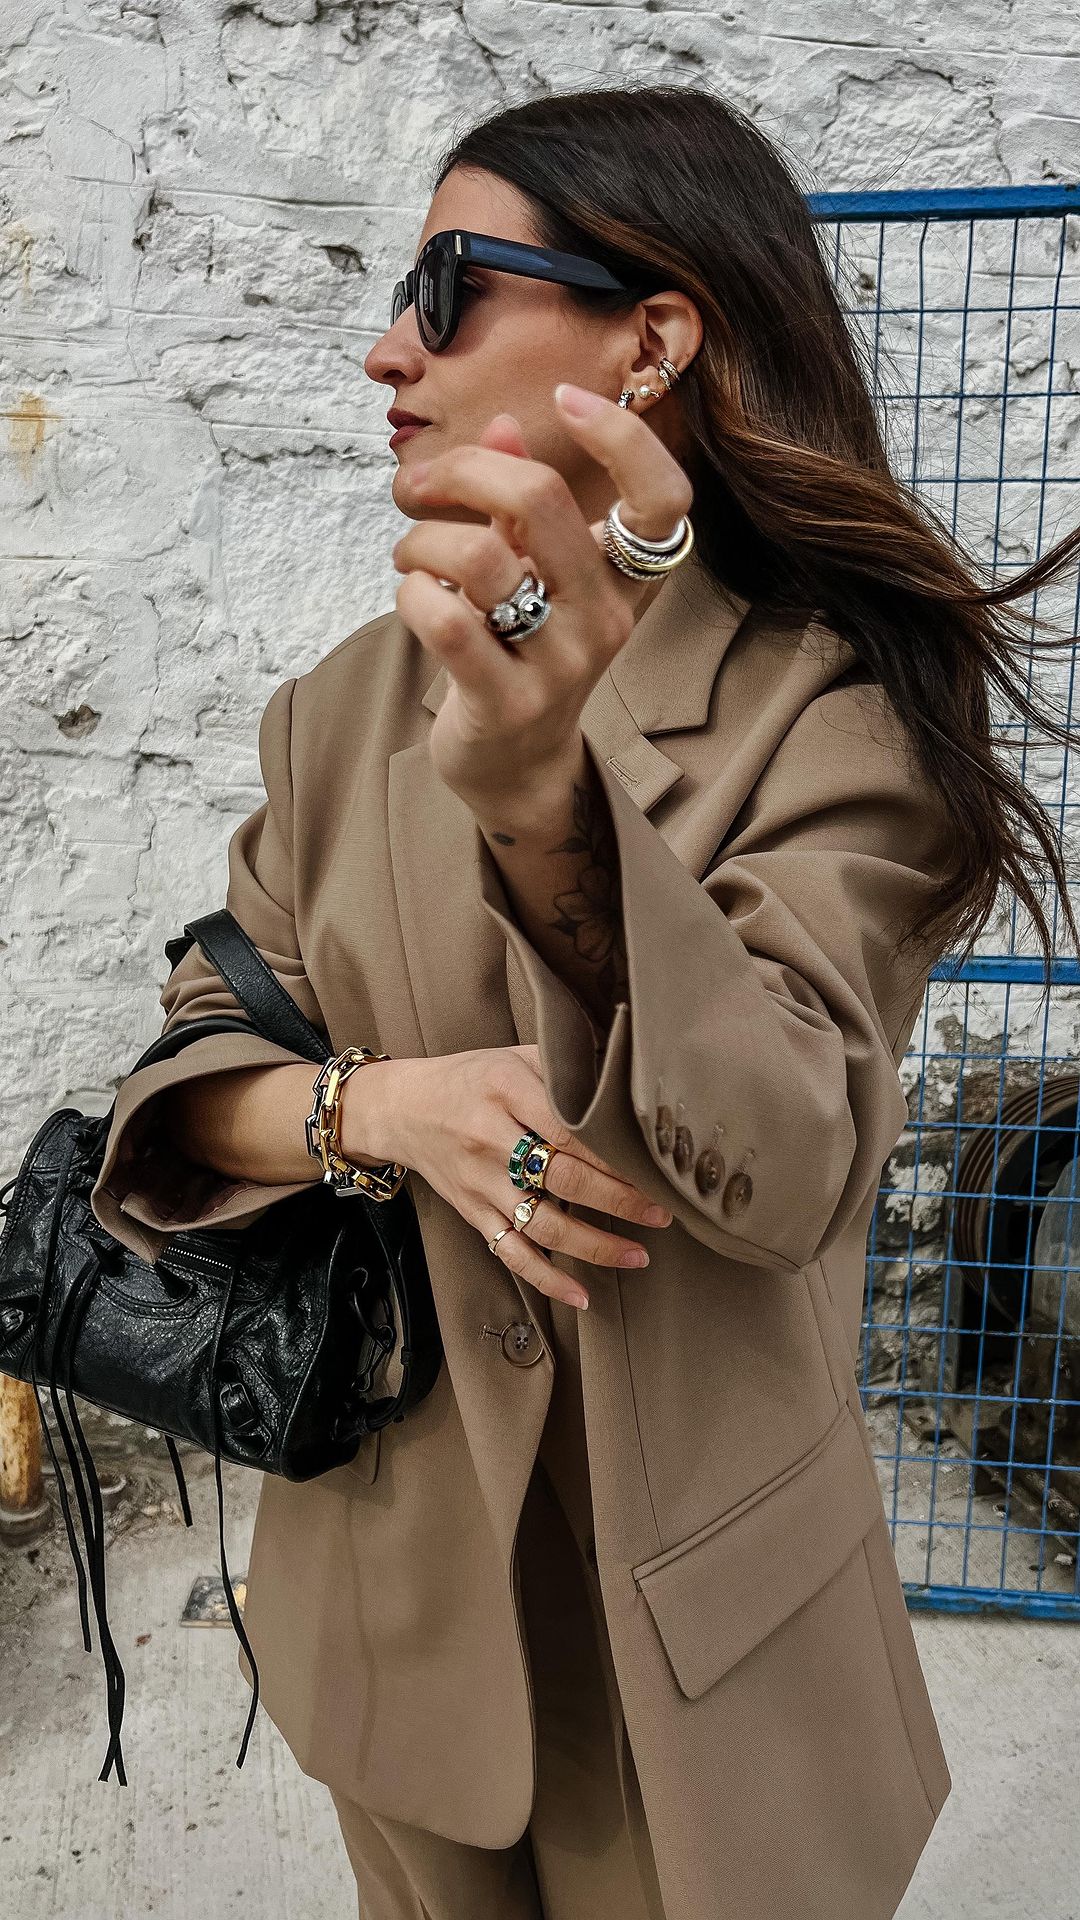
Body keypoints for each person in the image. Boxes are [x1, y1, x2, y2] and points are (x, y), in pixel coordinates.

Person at [89, 84, 1080, 1920]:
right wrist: (381, 1110)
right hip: (394, 1608)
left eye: (447, 283)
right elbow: (192, 1073)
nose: (388, 347)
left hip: (699, 1654)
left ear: (652, 343)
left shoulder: (837, 719)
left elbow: (790, 1162)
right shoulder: (340, 708)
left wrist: (554, 808)